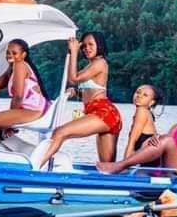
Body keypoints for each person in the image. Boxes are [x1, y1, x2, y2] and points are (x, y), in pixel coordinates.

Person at [37, 32, 122, 169]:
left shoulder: (100, 63)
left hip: (104, 112)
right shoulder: (91, 65)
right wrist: (75, 91)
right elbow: (91, 89)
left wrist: (74, 52)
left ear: (99, 46)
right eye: (84, 46)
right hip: (97, 112)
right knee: (107, 167)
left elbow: (73, 79)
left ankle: (37, 167)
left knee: (60, 132)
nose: (86, 48)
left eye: (91, 45)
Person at [123, 84, 164, 168]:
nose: (139, 96)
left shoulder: (141, 111)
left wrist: (123, 164)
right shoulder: (146, 112)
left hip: (150, 162)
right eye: (138, 92)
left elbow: (132, 140)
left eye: (145, 95)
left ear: (151, 102)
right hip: (150, 161)